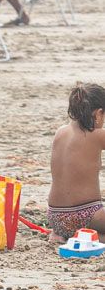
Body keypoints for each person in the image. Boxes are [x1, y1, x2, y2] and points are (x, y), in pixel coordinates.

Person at [48, 81, 105, 238]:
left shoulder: (60, 132)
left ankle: (63, 234)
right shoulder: (98, 135)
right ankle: (88, 236)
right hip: (85, 215)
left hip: (55, 217)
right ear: (99, 114)